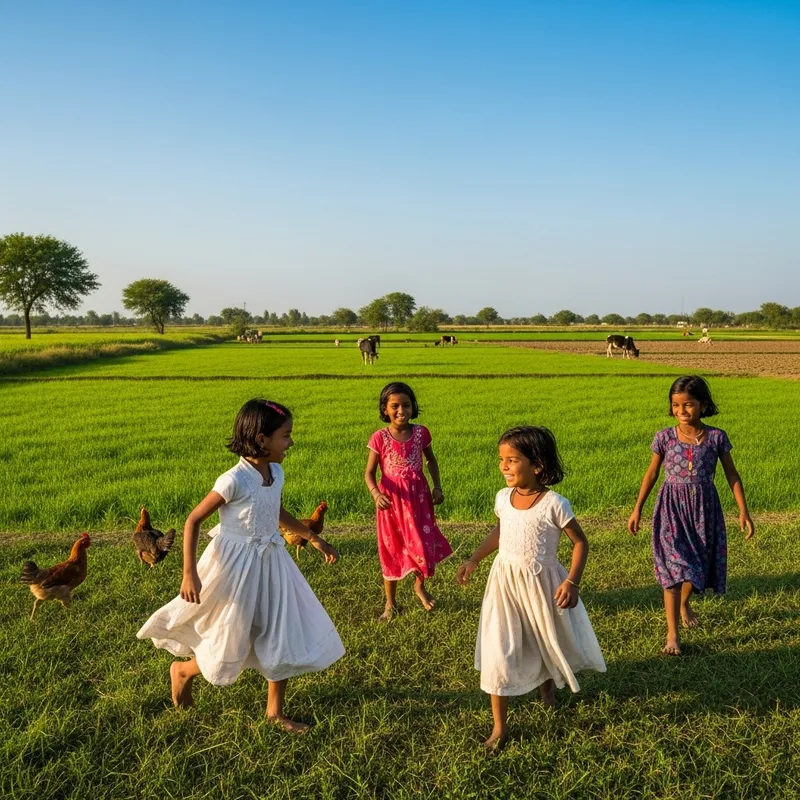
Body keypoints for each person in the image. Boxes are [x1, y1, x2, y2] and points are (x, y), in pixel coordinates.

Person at [137, 399, 344, 733]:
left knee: (281, 630)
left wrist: (313, 537)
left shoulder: (275, 472)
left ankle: (274, 713)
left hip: (273, 561)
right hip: (234, 568)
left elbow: (275, 510)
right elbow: (192, 521)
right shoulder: (233, 480)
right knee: (228, 637)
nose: (291, 442)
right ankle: (184, 671)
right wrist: (189, 573)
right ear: (262, 439)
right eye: (286, 436)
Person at [457, 426, 605, 751]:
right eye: (501, 460)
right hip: (505, 585)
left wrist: (572, 581)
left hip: (542, 586)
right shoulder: (502, 498)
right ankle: (499, 727)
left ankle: (547, 689)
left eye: (512, 460)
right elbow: (500, 530)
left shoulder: (554, 503)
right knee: (500, 649)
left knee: (543, 637)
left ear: (536, 465)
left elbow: (580, 542)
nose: (504, 466)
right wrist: (473, 560)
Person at [628, 375, 754, 656]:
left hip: (704, 509)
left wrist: (743, 510)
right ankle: (672, 635)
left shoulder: (716, 437)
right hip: (671, 507)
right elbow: (651, 474)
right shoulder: (664, 437)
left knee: (695, 569)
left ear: (703, 405)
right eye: (676, 406)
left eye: (688, 405)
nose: (682, 411)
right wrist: (637, 508)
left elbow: (731, 475)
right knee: (674, 570)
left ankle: (685, 602)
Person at [365, 382, 452, 619]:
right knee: (391, 549)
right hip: (391, 503)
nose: (401, 410)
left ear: (413, 407)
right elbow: (369, 473)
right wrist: (376, 494)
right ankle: (390, 603)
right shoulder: (379, 438)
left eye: (406, 405)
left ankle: (419, 586)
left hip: (419, 500)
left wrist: (437, 486)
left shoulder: (422, 433)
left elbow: (431, 461)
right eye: (394, 406)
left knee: (422, 544)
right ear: (385, 409)